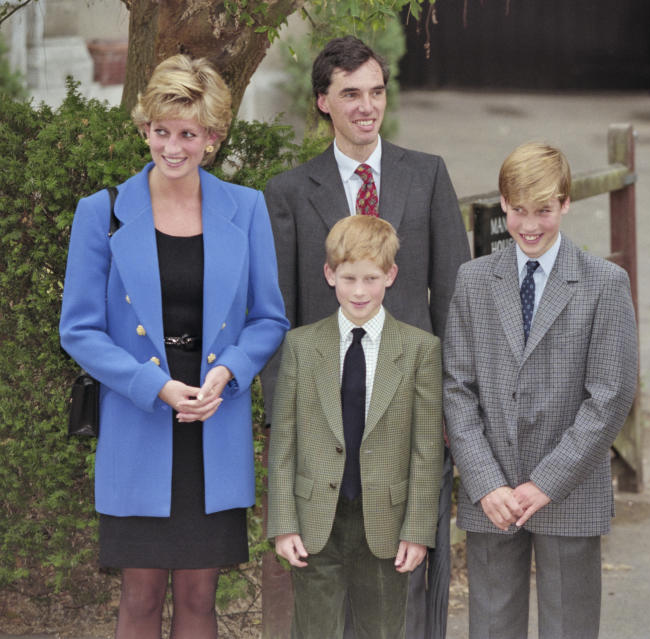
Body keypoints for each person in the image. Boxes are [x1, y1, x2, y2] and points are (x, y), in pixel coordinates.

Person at [59, 55, 289, 637]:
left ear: (211, 137)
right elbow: (79, 329)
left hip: (214, 421)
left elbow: (268, 318)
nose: (173, 146)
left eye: (188, 133)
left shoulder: (248, 207)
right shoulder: (103, 212)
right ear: (145, 129)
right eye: (161, 131)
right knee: (137, 596)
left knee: (199, 597)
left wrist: (229, 373)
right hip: (139, 420)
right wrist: (152, 385)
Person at [261, 35, 470, 638]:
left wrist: (453, 407)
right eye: (350, 94)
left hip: (409, 411)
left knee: (403, 576)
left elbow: (452, 298)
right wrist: (284, 417)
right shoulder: (290, 193)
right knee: (325, 577)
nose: (366, 106)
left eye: (376, 91)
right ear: (324, 101)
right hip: (326, 408)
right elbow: (282, 314)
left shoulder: (426, 176)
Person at [443, 142, 638, 639]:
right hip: (493, 496)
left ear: (566, 204)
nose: (531, 224)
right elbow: (457, 389)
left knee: (569, 626)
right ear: (503, 203)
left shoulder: (604, 283)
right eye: (519, 210)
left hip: (568, 490)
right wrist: (485, 481)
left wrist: (547, 482)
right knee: (490, 626)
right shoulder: (474, 280)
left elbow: (610, 397)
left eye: (544, 211)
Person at [267, 214, 443, 638]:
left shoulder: (420, 349)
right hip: (315, 522)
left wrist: (418, 530)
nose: (359, 291)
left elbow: (426, 449)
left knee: (381, 631)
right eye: (348, 278)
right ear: (330, 275)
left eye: (370, 278)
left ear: (391, 275)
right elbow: (284, 441)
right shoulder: (302, 346)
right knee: (314, 630)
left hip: (385, 522)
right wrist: (283, 523)